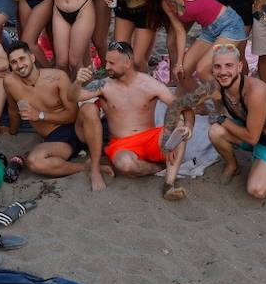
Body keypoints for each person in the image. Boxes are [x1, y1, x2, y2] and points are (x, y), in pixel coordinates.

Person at [72, 42, 187, 201]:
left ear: (127, 63)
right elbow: (73, 97)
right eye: (106, 61)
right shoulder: (103, 84)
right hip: (122, 144)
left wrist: (185, 124)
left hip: (151, 137)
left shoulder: (149, 83)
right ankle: (158, 168)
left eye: (112, 63)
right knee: (125, 165)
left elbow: (179, 106)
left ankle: (169, 183)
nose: (107, 66)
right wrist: (77, 82)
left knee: (180, 130)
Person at [0, 40, 106, 190]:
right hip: (57, 140)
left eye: (22, 59)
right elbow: (13, 110)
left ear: (32, 58)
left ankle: (96, 169)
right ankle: (84, 167)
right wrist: (11, 130)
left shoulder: (57, 77)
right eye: (13, 62)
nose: (19, 65)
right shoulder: (10, 82)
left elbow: (72, 115)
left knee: (90, 109)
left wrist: (39, 115)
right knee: (34, 162)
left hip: (78, 128)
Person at [207, 44, 266, 199]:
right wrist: (185, 124)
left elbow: (252, 138)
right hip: (250, 132)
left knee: (257, 190)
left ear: (239, 67)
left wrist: (221, 119)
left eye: (228, 66)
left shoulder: (254, 91)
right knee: (215, 132)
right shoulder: (217, 85)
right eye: (218, 67)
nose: (223, 72)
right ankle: (232, 165)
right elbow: (184, 102)